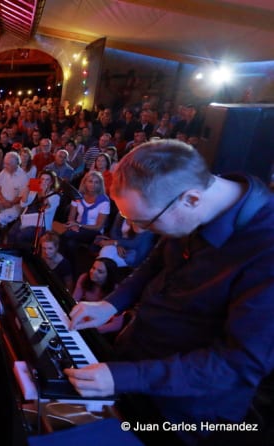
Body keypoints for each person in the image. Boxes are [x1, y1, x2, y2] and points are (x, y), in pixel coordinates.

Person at [65, 140, 274, 445]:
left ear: (190, 199)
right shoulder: (192, 201)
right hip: (136, 364)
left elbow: (238, 364)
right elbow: (158, 262)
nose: (140, 230)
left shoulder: (265, 250)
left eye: (144, 221)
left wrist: (124, 376)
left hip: (185, 412)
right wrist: (111, 304)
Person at [71, 257, 123, 333]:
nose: (93, 272)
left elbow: (116, 324)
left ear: (109, 275)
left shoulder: (116, 291)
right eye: (93, 268)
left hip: (101, 327)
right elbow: (74, 300)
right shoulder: (84, 278)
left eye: (100, 271)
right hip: (84, 319)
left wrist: (92, 329)